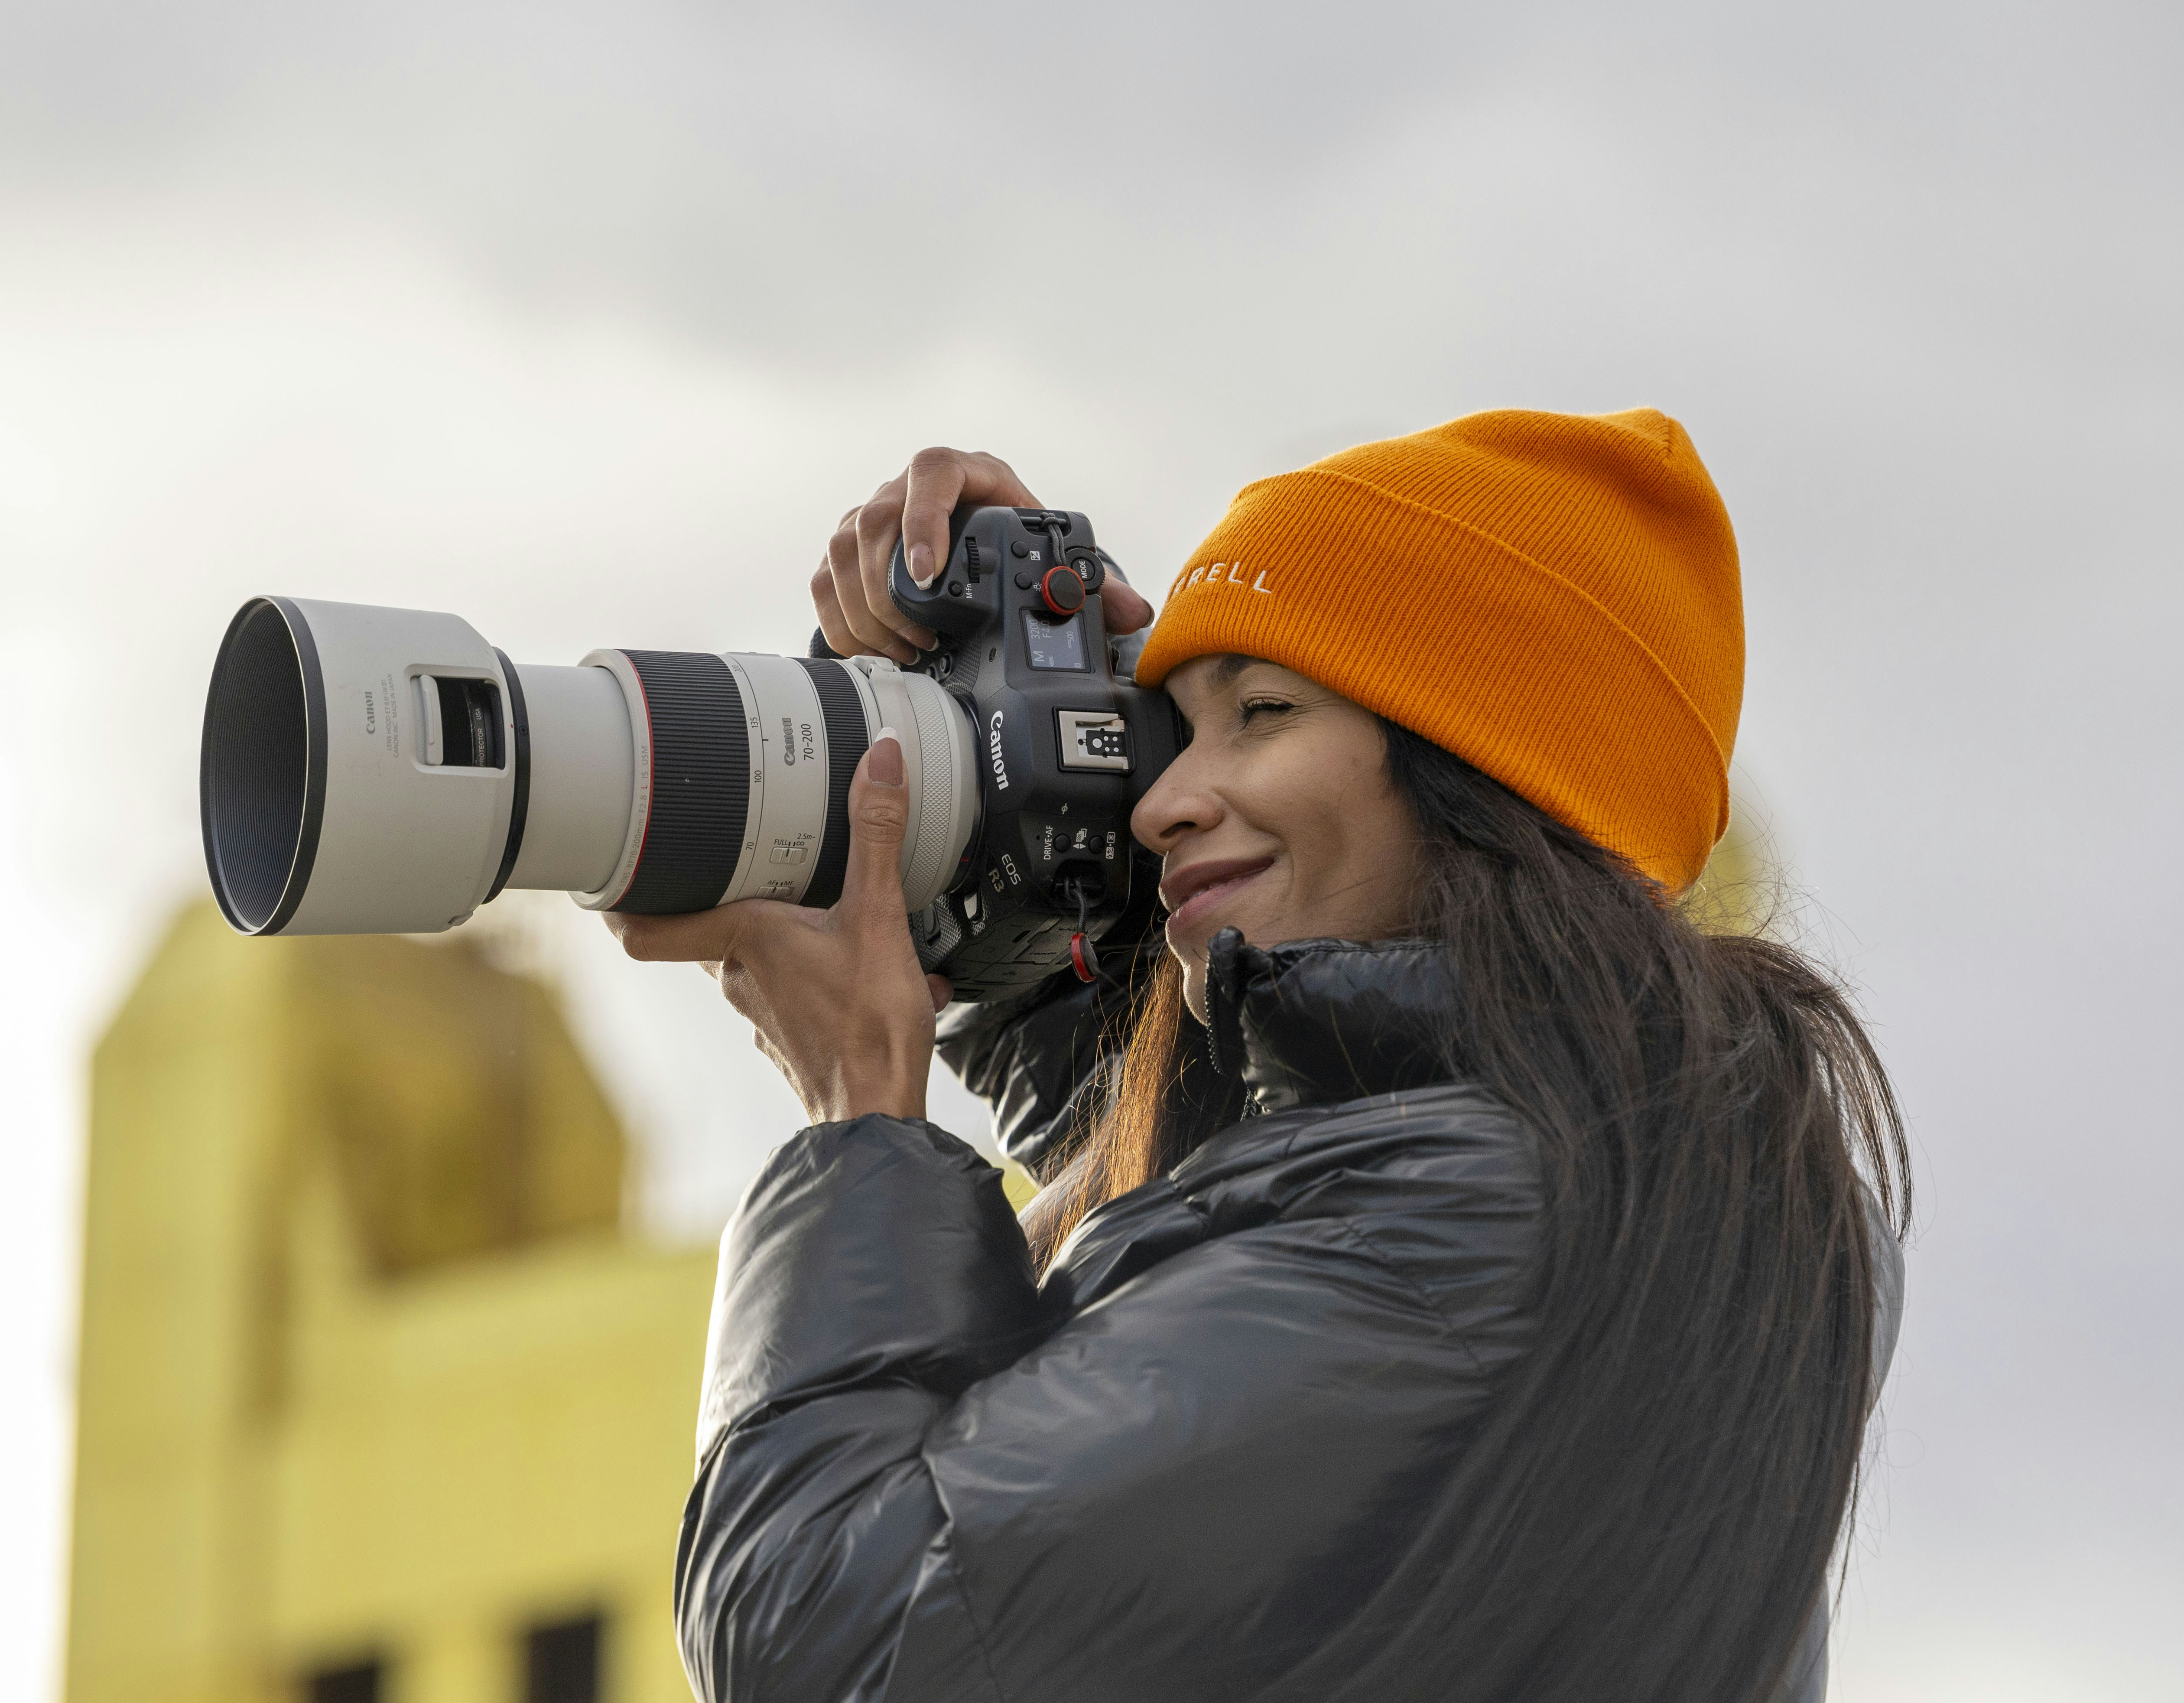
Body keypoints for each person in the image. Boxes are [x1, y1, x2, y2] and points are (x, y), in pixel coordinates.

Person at [607, 411, 1909, 1703]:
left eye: (1262, 714)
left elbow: (831, 1638)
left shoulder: (1453, 1232)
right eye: (1173, 733)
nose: (1167, 798)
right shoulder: (1600, 1177)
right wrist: (999, 726)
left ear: (1480, 770)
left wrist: (857, 1120)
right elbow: (1200, 1184)